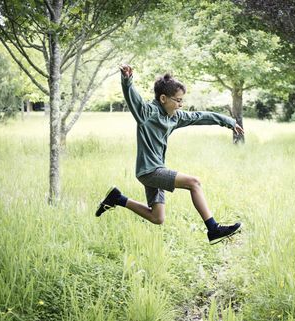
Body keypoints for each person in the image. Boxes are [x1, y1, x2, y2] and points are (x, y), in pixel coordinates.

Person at [95, 64, 244, 245]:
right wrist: (127, 79)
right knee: (194, 183)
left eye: (182, 101)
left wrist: (228, 121)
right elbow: (132, 97)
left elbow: (200, 116)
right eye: (178, 100)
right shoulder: (147, 113)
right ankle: (213, 228)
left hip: (156, 170)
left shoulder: (175, 117)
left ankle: (118, 199)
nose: (181, 105)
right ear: (163, 98)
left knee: (157, 217)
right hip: (149, 171)